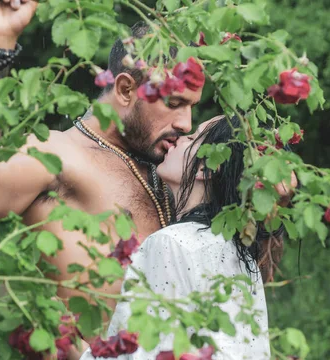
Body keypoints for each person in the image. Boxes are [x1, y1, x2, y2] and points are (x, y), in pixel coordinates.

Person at [0, 0, 202, 309]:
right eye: (174, 104)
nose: (186, 123)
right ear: (126, 90)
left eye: (192, 107)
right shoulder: (59, 154)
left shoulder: (170, 170)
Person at [80, 115, 290, 359]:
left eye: (192, 138)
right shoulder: (241, 255)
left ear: (207, 167)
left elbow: (140, 353)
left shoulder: (172, 243)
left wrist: (69, 343)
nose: (179, 139)